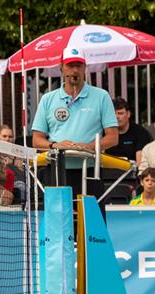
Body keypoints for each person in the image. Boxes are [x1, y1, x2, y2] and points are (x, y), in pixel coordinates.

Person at [30, 49, 118, 192]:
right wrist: (56, 145)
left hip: (91, 169)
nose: (75, 70)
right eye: (70, 65)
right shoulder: (47, 99)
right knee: (58, 208)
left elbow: (113, 138)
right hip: (56, 168)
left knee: (89, 208)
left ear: (85, 67)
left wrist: (89, 147)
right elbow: (36, 140)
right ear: (61, 67)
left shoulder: (102, 96)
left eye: (78, 65)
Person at [109, 97, 150, 166]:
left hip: (132, 171)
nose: (116, 117)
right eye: (113, 114)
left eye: (120, 113)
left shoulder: (140, 132)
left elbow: (140, 164)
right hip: (108, 171)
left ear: (128, 114)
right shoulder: (105, 132)